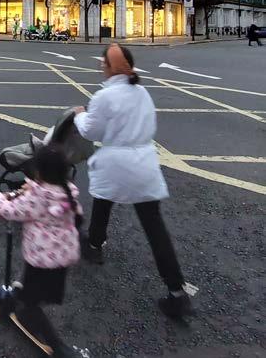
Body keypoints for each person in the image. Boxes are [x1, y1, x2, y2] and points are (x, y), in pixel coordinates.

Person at [73, 43, 192, 319]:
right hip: (144, 162)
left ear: (112, 67)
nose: (100, 65)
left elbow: (91, 131)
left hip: (117, 161)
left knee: (103, 202)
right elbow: (151, 124)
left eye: (103, 61)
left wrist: (80, 114)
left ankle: (94, 246)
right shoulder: (142, 92)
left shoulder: (104, 96)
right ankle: (177, 292)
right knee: (154, 227)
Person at [0, 144, 82, 358]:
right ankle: (32, 301)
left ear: (39, 172)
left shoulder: (38, 198)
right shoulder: (67, 192)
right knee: (41, 291)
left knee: (31, 304)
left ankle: (57, 348)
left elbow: (11, 211)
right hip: (62, 259)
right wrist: (33, 186)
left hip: (41, 260)